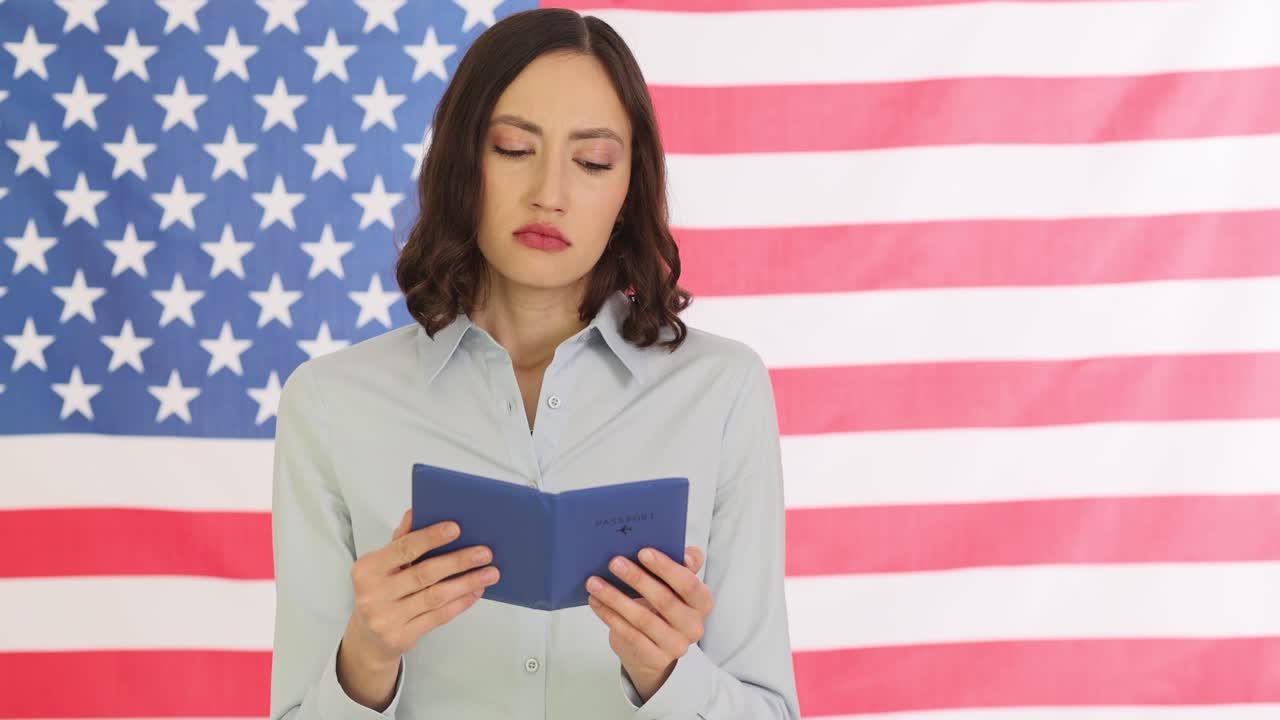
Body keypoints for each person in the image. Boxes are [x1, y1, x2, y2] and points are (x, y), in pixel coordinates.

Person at [269, 8, 800, 719]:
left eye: (593, 162)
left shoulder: (722, 391)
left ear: (628, 190)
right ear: (461, 163)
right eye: (514, 149)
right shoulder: (331, 403)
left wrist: (667, 674)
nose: (549, 193)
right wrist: (366, 655)